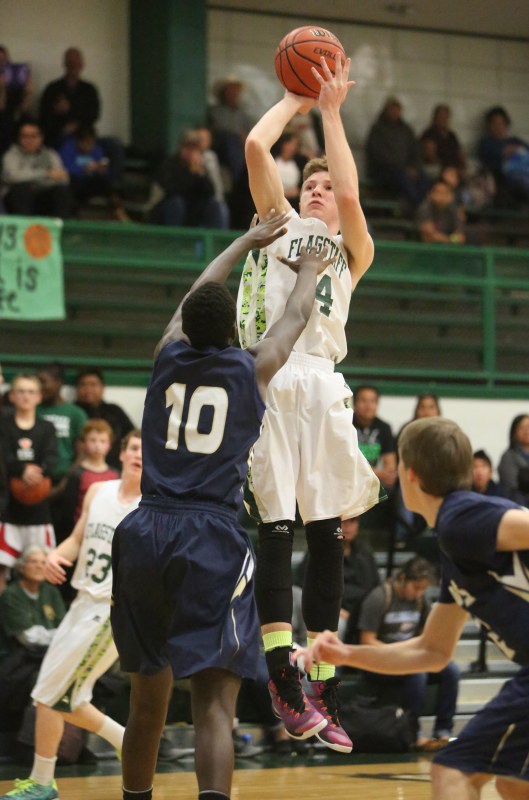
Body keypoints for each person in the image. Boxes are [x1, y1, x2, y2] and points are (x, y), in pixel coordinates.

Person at [110, 210, 334, 800]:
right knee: (213, 703)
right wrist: (310, 267)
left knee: (146, 700)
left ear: (186, 324)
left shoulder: (166, 355)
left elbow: (195, 297)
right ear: (232, 327)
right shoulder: (250, 367)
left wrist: (243, 241)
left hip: (145, 529)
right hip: (209, 533)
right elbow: (294, 319)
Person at [236, 56, 380, 754]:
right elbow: (255, 147)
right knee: (276, 529)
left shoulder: (353, 246)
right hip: (272, 373)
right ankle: (280, 681)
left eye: (326, 185)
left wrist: (331, 112)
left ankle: (322, 681)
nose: (319, 190)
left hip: (323, 381)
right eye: (310, 183)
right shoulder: (278, 223)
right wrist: (297, 98)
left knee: (327, 535)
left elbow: (350, 194)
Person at [300, 416, 529, 800]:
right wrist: (347, 654)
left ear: (410, 474)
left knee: (454, 769)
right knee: (512, 781)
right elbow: (431, 651)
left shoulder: (461, 518)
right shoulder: (456, 543)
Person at [0, 431, 142, 800]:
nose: (139, 455)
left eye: (147, 451)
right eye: (133, 448)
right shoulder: (99, 492)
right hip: (81, 603)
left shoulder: (151, 507)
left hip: (110, 611)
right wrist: (54, 555)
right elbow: (77, 540)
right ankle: (127, 741)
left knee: (52, 694)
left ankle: (43, 782)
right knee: (56, 695)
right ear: (121, 453)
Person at [357, 556, 459, 750]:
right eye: (416, 587)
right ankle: (414, 732)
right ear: (402, 578)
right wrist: (398, 653)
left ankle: (444, 731)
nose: (418, 593)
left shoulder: (421, 601)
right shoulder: (379, 598)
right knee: (417, 672)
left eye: (423, 589)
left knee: (451, 670)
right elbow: (367, 641)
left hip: (408, 657)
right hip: (379, 660)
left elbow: (425, 636)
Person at [0, 545, 65, 739]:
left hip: (49, 657)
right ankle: (31, 741)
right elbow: (28, 638)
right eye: (33, 562)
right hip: (17, 661)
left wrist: (58, 637)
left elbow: (65, 629)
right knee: (42, 680)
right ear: (21, 567)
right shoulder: (12, 594)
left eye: (43, 562)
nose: (39, 566)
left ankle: (68, 743)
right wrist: (58, 637)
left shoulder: (51, 591)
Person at [0, 374, 57, 588]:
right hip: (7, 510)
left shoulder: (47, 428)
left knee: (41, 568)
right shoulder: (3, 426)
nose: (26, 396)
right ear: (12, 396)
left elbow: (52, 459)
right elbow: (4, 457)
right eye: (21, 391)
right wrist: (22, 469)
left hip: (38, 512)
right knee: (1, 570)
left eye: (31, 391)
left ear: (39, 397)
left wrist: (37, 472)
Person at [39, 47, 124, 187]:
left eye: (76, 62)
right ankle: (75, 185)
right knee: (66, 146)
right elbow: (44, 118)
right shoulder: (53, 89)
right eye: (70, 62)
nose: (73, 66)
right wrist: (59, 115)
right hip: (61, 137)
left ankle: (111, 185)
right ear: (64, 64)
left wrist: (71, 112)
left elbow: (94, 115)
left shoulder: (89, 89)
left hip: (86, 136)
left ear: (82, 65)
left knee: (115, 145)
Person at [150, 135, 228, 229]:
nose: (191, 153)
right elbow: (173, 189)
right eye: (188, 148)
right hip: (169, 208)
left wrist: (200, 173)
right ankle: (173, 237)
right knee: (177, 203)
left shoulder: (201, 168)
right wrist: (191, 173)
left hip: (193, 211)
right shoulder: (170, 164)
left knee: (215, 206)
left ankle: (215, 237)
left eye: (195, 150)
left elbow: (210, 192)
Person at [365, 96, 429, 208]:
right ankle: (417, 205)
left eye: (397, 110)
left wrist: (415, 168)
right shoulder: (378, 130)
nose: (395, 113)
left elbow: (415, 152)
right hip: (384, 172)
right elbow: (377, 155)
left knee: (425, 178)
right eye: (392, 110)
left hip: (406, 171)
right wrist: (402, 168)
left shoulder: (406, 130)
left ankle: (419, 204)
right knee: (402, 178)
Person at [1, 120, 72, 218]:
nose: (29, 140)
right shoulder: (11, 155)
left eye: (33, 136)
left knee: (62, 191)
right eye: (24, 136)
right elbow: (14, 177)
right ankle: (24, 225)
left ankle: (61, 224)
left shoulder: (51, 154)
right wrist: (46, 174)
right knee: (22, 188)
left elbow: (63, 178)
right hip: (17, 199)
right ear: (19, 138)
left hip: (43, 196)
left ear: (41, 137)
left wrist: (33, 179)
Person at [74, 368, 134, 471]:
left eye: (93, 385)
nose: (88, 389)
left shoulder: (115, 411)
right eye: (83, 385)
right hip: (81, 470)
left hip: (114, 469)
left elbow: (131, 436)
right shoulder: (73, 412)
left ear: (102, 387)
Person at [478, 106, 529, 206]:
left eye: (501, 123)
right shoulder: (487, 142)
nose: (498, 127)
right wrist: (504, 152)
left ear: (506, 124)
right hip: (503, 178)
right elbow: (489, 158)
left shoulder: (515, 141)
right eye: (494, 124)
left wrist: (517, 151)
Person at [0, 45, 33, 156]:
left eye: (4, 62)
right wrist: (2, 91)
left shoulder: (15, 86)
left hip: (12, 129)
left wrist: (28, 94)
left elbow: (23, 112)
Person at [420, 104, 466, 175]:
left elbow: (460, 153)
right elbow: (430, 156)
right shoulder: (429, 134)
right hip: (437, 168)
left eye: (445, 117)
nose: (443, 119)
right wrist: (446, 168)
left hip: (453, 167)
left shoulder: (451, 135)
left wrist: (463, 166)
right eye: (441, 116)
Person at [416, 179, 466, 244]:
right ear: (431, 194)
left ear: (450, 196)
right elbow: (429, 236)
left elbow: (460, 237)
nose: (440, 196)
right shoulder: (425, 208)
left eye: (444, 193)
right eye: (437, 192)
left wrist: (449, 239)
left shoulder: (454, 210)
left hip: (448, 248)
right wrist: (451, 238)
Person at [497, 414, 529, 496]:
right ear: (514, 432)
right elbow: (511, 488)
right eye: (522, 428)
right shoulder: (508, 457)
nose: (526, 431)